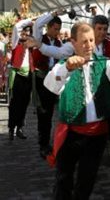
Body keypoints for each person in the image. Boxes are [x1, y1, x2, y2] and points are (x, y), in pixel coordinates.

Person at [43, 22, 110, 200]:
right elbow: (51, 84)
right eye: (84, 41)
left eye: (91, 40)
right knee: (64, 179)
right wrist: (67, 68)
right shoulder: (64, 64)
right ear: (73, 42)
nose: (89, 46)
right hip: (71, 134)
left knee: (87, 180)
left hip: (97, 135)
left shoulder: (104, 63)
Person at [32, 12, 62, 158]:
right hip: (40, 79)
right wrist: (53, 14)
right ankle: (43, 143)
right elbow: (37, 24)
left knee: (49, 112)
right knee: (43, 112)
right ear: (48, 27)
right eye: (55, 29)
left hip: (53, 79)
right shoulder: (39, 38)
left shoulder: (58, 43)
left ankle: (44, 140)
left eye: (59, 30)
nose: (57, 32)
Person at [8, 18, 34, 140]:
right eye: (23, 32)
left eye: (27, 32)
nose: (25, 35)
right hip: (18, 76)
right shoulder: (15, 43)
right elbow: (17, 27)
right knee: (15, 104)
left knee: (24, 103)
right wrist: (30, 20)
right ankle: (11, 128)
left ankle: (20, 128)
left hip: (28, 76)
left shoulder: (31, 45)